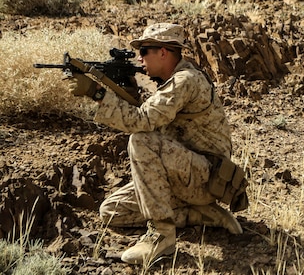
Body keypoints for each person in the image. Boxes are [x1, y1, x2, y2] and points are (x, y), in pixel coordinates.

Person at [67, 23, 243, 265]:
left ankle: (161, 235)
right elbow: (153, 115)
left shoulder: (186, 80)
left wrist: (98, 93)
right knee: (111, 211)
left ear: (163, 52)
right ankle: (197, 213)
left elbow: (143, 121)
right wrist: (123, 91)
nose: (140, 58)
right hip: (186, 174)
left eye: (145, 50)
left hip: (207, 178)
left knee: (141, 141)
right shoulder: (175, 81)